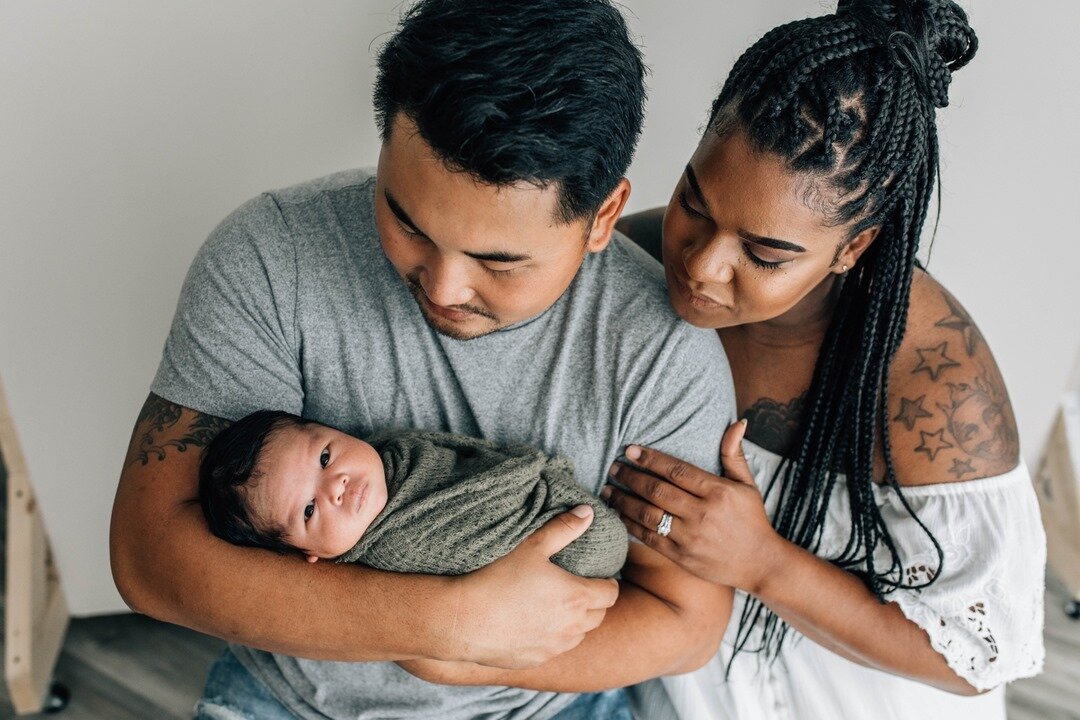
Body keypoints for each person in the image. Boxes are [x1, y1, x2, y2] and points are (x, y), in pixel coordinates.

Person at [109, 1, 736, 719]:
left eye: (499, 261)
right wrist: (448, 623)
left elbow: (685, 623)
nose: (442, 288)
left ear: (601, 215)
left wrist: (470, 666)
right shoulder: (270, 255)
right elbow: (150, 557)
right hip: (292, 701)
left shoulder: (661, 356)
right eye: (406, 219)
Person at [606, 1, 1046, 718]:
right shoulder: (635, 263)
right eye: (695, 200)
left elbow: (979, 658)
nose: (703, 266)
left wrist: (761, 562)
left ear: (854, 247)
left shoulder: (937, 390)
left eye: (764, 252)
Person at [198, 410, 627, 577]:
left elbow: (471, 456)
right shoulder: (396, 546)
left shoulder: (393, 450)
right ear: (311, 555)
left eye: (325, 458)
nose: (335, 487)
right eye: (309, 510)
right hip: (563, 543)